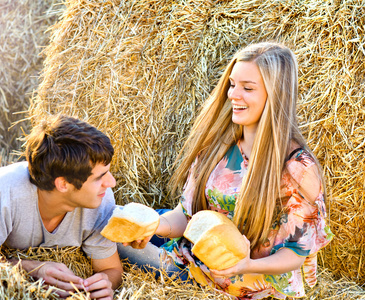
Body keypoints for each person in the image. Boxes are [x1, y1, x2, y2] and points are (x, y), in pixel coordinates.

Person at [118, 42, 333, 299]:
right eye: (232, 84)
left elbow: (295, 253)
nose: (233, 94)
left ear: (276, 95)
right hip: (191, 257)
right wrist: (154, 226)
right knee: (111, 222)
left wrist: (247, 265)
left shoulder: (297, 167)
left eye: (247, 88)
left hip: (240, 284)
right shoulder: (218, 147)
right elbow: (187, 217)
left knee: (104, 240)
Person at [0, 114, 123, 299]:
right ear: (63, 184)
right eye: (100, 177)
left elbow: (112, 268)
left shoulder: (101, 199)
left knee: (0, 179)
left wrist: (106, 282)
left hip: (12, 183)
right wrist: (28, 268)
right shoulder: (1, 192)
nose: (112, 183)